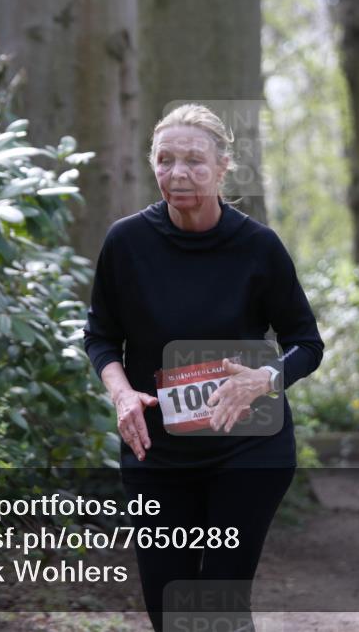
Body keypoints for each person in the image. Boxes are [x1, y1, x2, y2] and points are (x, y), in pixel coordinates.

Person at [83, 103, 324, 630]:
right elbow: (101, 337)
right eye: (165, 160)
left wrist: (267, 376)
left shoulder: (258, 247)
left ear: (222, 167)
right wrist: (122, 394)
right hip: (157, 452)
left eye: (193, 160)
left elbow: (306, 342)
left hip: (248, 449)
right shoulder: (126, 243)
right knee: (168, 610)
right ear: (153, 166)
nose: (178, 173)